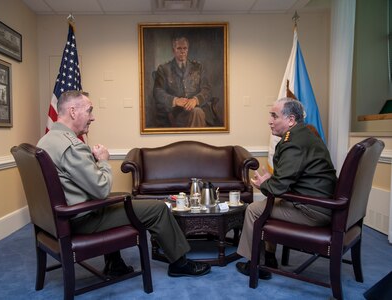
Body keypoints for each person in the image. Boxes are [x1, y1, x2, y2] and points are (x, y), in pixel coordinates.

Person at [37, 90, 211, 278]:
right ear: (72, 112)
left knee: (118, 200)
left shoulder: (45, 141)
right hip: (82, 220)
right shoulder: (71, 146)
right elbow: (102, 189)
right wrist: (103, 160)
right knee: (158, 209)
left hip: (62, 218)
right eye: (89, 111)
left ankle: (115, 263)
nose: (92, 117)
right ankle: (180, 263)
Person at [235, 97, 337, 279]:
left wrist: (265, 184)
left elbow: (278, 187)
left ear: (291, 120)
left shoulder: (293, 143)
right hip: (321, 203)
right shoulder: (305, 134)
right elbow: (293, 177)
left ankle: (254, 264)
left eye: (274, 116)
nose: (269, 121)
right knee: (269, 204)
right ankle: (270, 258)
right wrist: (272, 181)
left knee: (253, 209)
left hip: (312, 209)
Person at [153, 36, 211, 127]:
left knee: (197, 112)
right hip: (176, 113)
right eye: (179, 48)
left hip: (198, 109)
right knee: (197, 113)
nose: (182, 51)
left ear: (188, 49)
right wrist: (175, 100)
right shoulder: (164, 69)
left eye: (185, 48)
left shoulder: (198, 67)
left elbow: (207, 89)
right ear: (173, 50)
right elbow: (157, 92)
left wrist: (195, 100)